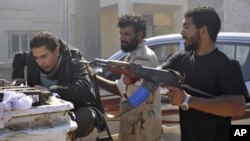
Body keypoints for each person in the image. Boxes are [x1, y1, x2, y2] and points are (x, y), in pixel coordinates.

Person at [160, 6, 249, 141]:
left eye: (186, 27)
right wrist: (134, 75)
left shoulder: (227, 65)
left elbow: (238, 107)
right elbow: (156, 73)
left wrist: (187, 100)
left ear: (203, 30)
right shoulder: (179, 59)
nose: (181, 32)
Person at [87, 14, 163, 141]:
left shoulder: (142, 57)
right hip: (136, 124)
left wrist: (93, 77)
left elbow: (119, 89)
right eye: (121, 34)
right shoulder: (134, 55)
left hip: (141, 128)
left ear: (139, 35)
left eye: (127, 34)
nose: (122, 38)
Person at [11, 31, 95, 139]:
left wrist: (49, 91)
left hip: (72, 110)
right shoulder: (32, 56)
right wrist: (17, 80)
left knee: (85, 116)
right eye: (36, 58)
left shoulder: (74, 57)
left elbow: (83, 88)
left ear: (57, 51)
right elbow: (18, 57)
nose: (40, 62)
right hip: (42, 111)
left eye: (44, 57)